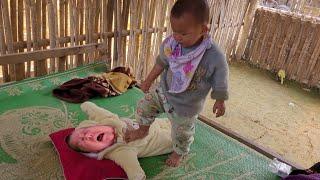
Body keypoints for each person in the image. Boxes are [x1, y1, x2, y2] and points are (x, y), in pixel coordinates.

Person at [124, 0, 229, 167]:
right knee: (144, 106)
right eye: (175, 31)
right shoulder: (173, 44)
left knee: (182, 134)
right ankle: (142, 130)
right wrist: (148, 80)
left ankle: (178, 152)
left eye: (184, 34)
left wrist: (220, 100)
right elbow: (161, 63)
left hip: (186, 106)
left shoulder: (214, 56)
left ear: (203, 29)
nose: (177, 37)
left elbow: (221, 78)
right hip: (164, 92)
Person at [67, 102, 173, 180]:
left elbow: (96, 112)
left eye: (85, 132)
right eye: (82, 142)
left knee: (173, 119)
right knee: (180, 137)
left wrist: (87, 105)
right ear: (94, 152)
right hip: (159, 140)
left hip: (153, 124)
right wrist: (137, 176)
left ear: (96, 125)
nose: (87, 136)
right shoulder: (119, 151)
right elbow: (131, 168)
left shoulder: (106, 120)